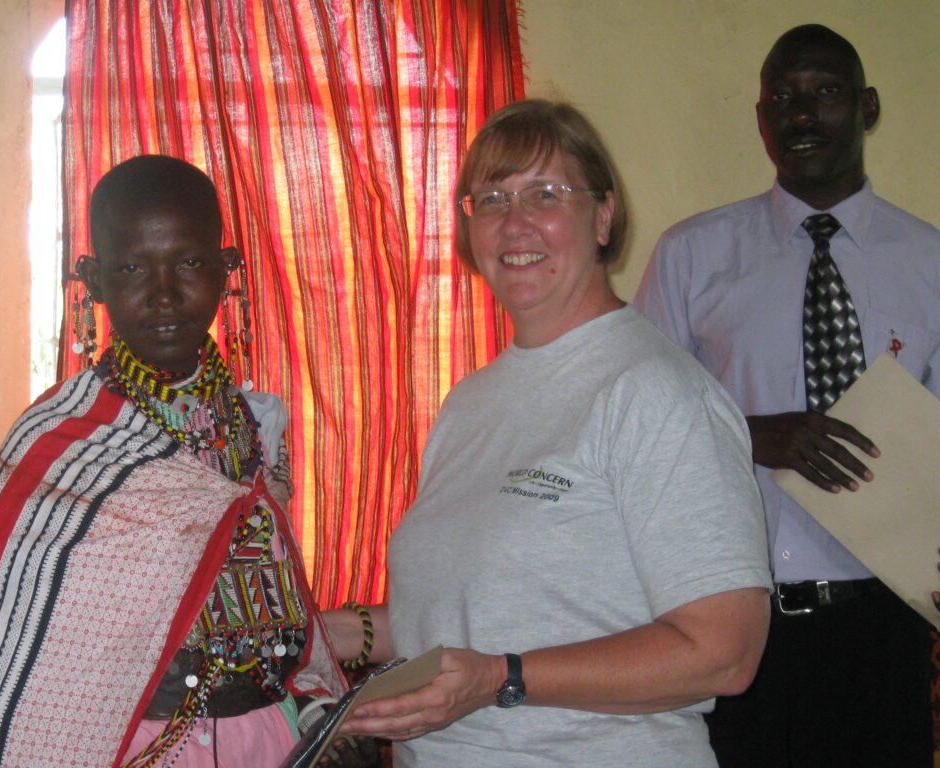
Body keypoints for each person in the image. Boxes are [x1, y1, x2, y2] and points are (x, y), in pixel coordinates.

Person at [324, 99, 772, 767]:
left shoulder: (656, 391)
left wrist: (500, 679)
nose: (515, 222)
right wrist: (336, 633)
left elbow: (723, 653)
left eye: (546, 193)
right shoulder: (469, 404)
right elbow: (476, 618)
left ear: (604, 216)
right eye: (493, 198)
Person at [0, 155, 375, 768]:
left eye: (190, 262)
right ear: (94, 278)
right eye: (133, 266)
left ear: (228, 268)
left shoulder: (254, 424)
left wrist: (319, 707)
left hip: (270, 740)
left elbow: (279, 595)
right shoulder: (64, 443)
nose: (164, 293)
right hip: (135, 750)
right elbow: (10, 666)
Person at [635, 24, 939, 767]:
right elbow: (634, 433)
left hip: (888, 629)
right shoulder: (692, 255)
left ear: (867, 108)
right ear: (762, 119)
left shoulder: (932, 263)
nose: (801, 115)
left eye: (825, 93)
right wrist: (744, 436)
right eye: (782, 97)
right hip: (736, 624)